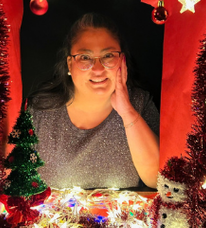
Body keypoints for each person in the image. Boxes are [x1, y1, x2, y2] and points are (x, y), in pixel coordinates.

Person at [28, 14, 160, 189]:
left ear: (122, 60)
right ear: (69, 64)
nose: (98, 69)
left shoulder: (140, 103)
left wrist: (127, 112)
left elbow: (157, 180)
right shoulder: (39, 111)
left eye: (108, 56)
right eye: (85, 57)